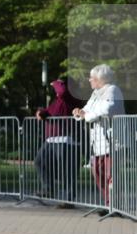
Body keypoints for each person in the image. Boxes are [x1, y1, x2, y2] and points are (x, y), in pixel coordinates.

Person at [72, 64, 125, 208]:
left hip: (113, 142)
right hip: (98, 143)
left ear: (99, 79)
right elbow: (86, 110)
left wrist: (86, 115)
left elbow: (107, 109)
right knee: (97, 172)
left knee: (111, 176)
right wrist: (79, 112)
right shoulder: (96, 93)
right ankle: (108, 203)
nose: (89, 80)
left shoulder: (112, 90)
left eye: (92, 78)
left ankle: (115, 206)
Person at [34, 78, 84, 201]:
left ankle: (68, 199)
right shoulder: (57, 101)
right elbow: (49, 112)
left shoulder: (71, 98)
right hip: (51, 140)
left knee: (68, 171)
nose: (56, 91)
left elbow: (62, 92)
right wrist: (41, 113)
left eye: (57, 87)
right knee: (39, 161)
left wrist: (56, 83)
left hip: (67, 140)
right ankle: (48, 189)